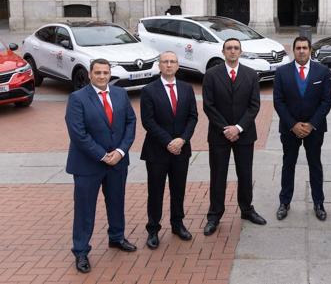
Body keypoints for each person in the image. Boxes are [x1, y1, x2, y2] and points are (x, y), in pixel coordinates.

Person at [65, 58, 137, 274]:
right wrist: (103, 155)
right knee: (85, 210)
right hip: (88, 164)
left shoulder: (120, 94)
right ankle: (80, 251)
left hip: (118, 162)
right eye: (98, 73)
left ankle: (116, 237)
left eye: (106, 73)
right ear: (90, 74)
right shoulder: (77, 98)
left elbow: (130, 123)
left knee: (116, 202)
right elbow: (78, 133)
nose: (102, 76)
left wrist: (121, 151)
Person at [202, 38, 267, 236]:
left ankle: (247, 209)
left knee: (245, 174)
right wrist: (225, 128)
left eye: (236, 48)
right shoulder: (212, 75)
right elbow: (208, 105)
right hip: (219, 135)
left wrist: (238, 128)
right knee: (218, 175)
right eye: (229, 48)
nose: (232, 51)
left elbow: (254, 105)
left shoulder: (250, 75)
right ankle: (214, 215)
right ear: (223, 52)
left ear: (241, 52)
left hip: (244, 135)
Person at [140, 51, 198, 249]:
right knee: (155, 191)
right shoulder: (149, 90)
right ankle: (153, 229)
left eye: (172, 61)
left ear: (178, 65)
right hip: (157, 151)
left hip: (181, 150)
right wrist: (168, 142)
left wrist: (182, 139)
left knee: (178, 189)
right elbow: (148, 121)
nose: (169, 65)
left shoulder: (187, 89)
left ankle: (177, 224)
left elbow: (193, 117)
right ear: (159, 65)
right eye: (165, 62)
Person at [273, 36, 331, 221]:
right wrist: (293, 124)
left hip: (314, 129)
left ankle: (318, 202)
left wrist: (312, 124)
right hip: (289, 129)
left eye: (305, 48)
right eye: (298, 48)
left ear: (310, 50)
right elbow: (278, 101)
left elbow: (326, 102)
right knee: (288, 165)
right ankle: (284, 202)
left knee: (315, 165)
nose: (301, 51)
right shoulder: (282, 72)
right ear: (293, 50)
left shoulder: (322, 72)